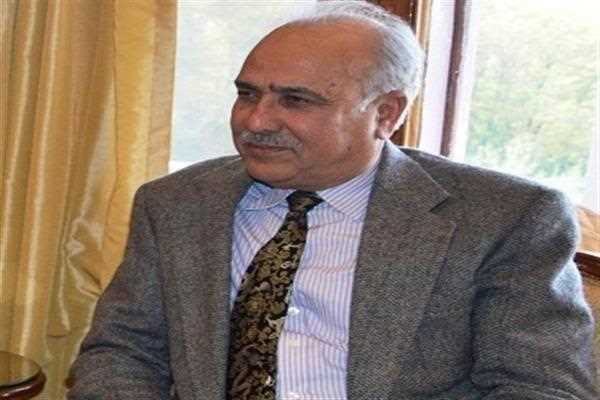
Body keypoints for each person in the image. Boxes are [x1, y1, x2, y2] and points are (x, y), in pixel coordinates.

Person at [68, 1, 598, 399]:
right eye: (248, 93)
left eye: (296, 100)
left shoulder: (504, 218)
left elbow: (539, 387)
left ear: (386, 114)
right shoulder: (177, 204)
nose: (255, 120)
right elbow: (122, 351)